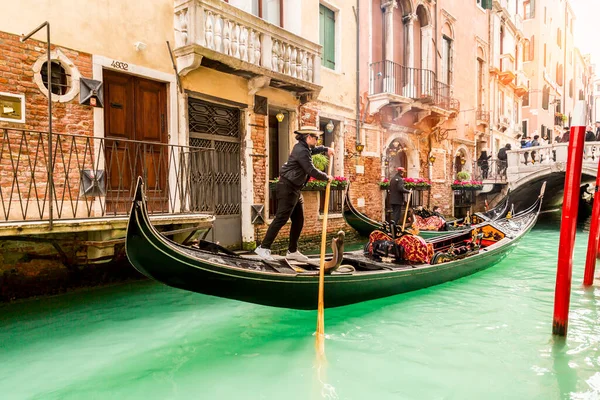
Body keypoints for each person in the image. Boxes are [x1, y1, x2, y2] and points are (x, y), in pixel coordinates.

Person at [254, 126, 334, 261]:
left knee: (298, 220)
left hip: (295, 188)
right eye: (316, 138)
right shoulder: (301, 150)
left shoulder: (304, 148)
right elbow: (310, 170)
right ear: (308, 137)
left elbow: (314, 150)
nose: (317, 140)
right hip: (287, 187)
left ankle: (292, 251)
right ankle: (263, 248)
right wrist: (326, 177)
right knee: (281, 218)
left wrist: (326, 149)